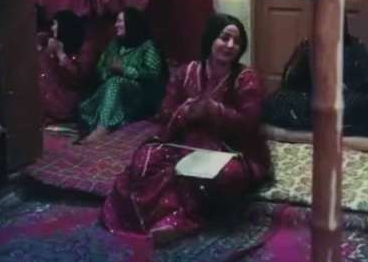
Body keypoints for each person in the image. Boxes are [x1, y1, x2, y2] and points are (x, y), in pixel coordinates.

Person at [100, 13, 271, 244]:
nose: (231, 45)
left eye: (237, 42)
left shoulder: (245, 79)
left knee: (217, 176)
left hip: (231, 150)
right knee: (144, 161)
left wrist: (213, 110)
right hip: (183, 143)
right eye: (224, 38)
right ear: (210, 38)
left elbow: (249, 123)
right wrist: (186, 110)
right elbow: (164, 114)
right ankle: (149, 218)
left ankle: (184, 220)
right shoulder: (186, 73)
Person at [262, 15, 368, 134]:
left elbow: (363, 86)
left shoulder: (356, 48)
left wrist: (340, 87)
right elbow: (290, 83)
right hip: (308, 98)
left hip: (343, 99)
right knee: (277, 100)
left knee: (363, 104)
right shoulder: (308, 46)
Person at [79, 7, 164, 142]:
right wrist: (108, 71)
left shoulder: (147, 46)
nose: (116, 25)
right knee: (94, 97)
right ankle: (102, 123)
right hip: (110, 88)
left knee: (115, 82)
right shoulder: (114, 45)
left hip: (137, 95)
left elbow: (153, 74)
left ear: (131, 24)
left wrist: (124, 70)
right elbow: (100, 67)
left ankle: (102, 128)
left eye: (119, 21)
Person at [39, 10, 98, 124]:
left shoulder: (86, 48)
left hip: (72, 102)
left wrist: (60, 54)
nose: (52, 28)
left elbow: (78, 79)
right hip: (51, 101)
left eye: (55, 24)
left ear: (64, 26)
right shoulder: (52, 42)